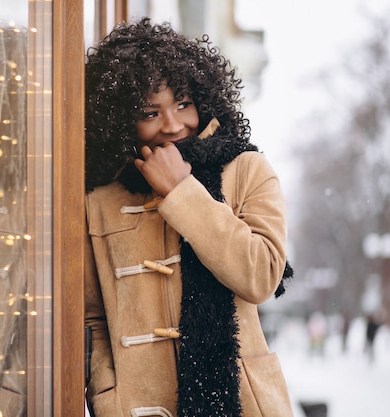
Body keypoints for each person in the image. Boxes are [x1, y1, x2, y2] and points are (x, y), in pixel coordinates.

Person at [84, 18, 294, 417]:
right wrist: (109, 395)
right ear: (119, 119)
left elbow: (263, 276)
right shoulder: (100, 197)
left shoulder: (247, 169)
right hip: (138, 406)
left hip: (240, 402)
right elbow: (92, 315)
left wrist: (182, 191)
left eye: (183, 103)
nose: (174, 125)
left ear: (203, 97)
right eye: (151, 112)